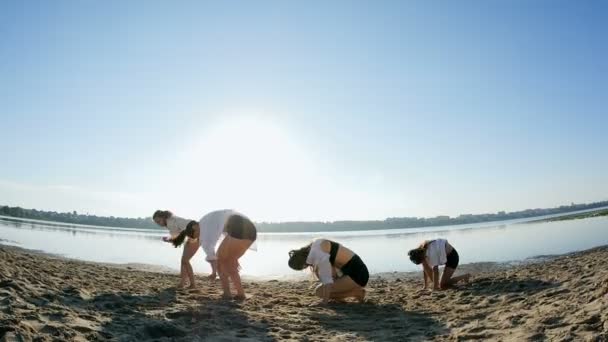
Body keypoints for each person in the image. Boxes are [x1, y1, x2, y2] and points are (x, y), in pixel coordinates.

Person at [171, 209, 257, 300]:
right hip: (250, 231)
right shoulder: (205, 221)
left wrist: (214, 272)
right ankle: (240, 294)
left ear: (195, 227)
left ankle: (228, 293)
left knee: (221, 260)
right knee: (229, 262)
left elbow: (211, 253)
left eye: (196, 235)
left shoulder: (204, 229)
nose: (199, 238)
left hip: (239, 229)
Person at [288, 238, 368, 304]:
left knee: (320, 292)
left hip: (358, 274)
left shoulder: (318, 252)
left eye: (303, 267)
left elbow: (327, 281)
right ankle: (345, 295)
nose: (306, 267)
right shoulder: (315, 246)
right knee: (321, 290)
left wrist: (324, 302)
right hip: (349, 272)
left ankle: (357, 293)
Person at [153, 210, 200, 289]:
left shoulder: (170, 223)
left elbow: (175, 240)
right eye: (157, 223)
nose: (159, 224)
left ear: (164, 217)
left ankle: (193, 284)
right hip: (193, 232)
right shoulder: (172, 219)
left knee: (185, 261)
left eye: (159, 221)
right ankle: (182, 283)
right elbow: (179, 237)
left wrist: (166, 239)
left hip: (195, 233)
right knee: (184, 261)